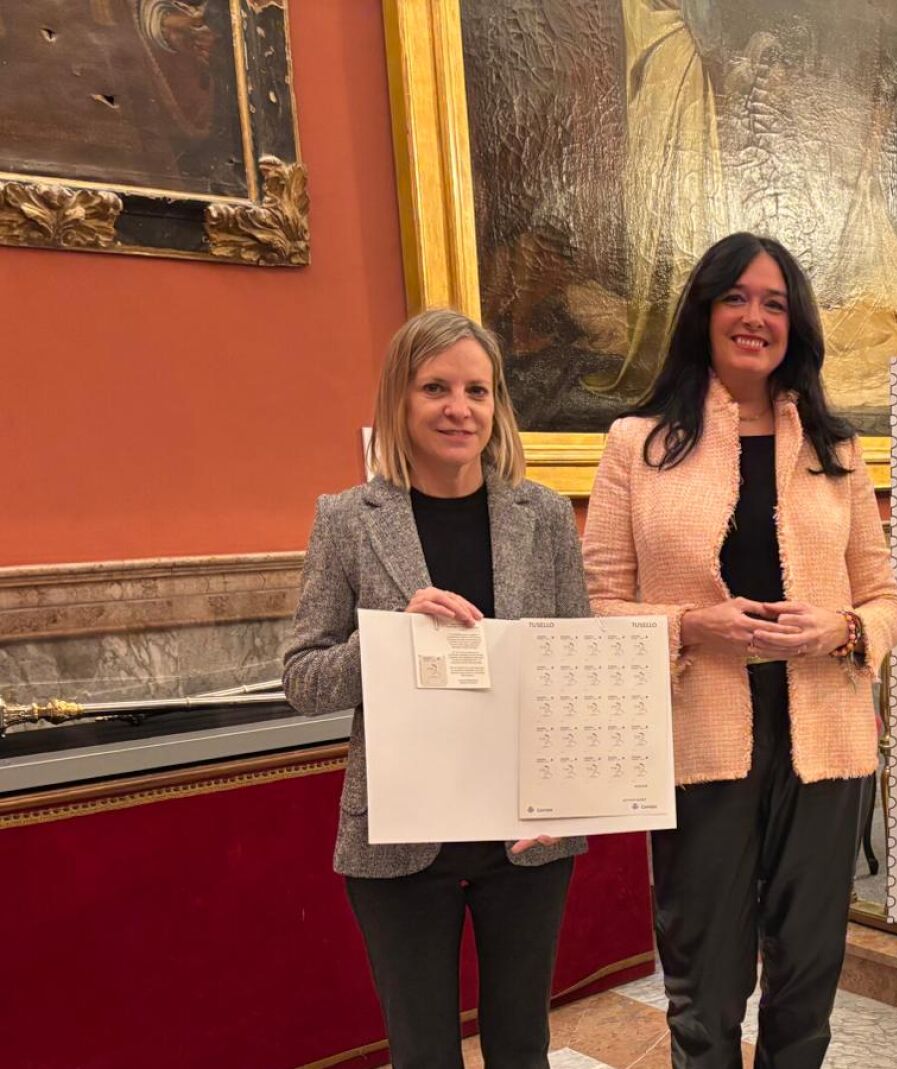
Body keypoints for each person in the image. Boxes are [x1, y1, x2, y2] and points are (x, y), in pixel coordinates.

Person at [583, 231, 897, 1068]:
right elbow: (596, 608)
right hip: (700, 731)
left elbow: (886, 599)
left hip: (825, 735)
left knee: (808, 972)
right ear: (704, 311)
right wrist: (692, 625)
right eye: (736, 297)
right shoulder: (636, 444)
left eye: (774, 302)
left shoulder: (836, 450)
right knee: (705, 976)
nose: (754, 317)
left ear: (795, 324)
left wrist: (841, 629)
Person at [283, 309, 589, 1069]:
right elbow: (303, 679)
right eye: (436, 388)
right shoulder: (347, 520)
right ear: (401, 398)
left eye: (477, 390)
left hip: (525, 834)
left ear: (497, 404)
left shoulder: (545, 516)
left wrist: (568, 798)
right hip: (398, 835)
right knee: (423, 1053)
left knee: (523, 1047)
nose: (460, 408)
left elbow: (572, 672)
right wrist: (392, 637)